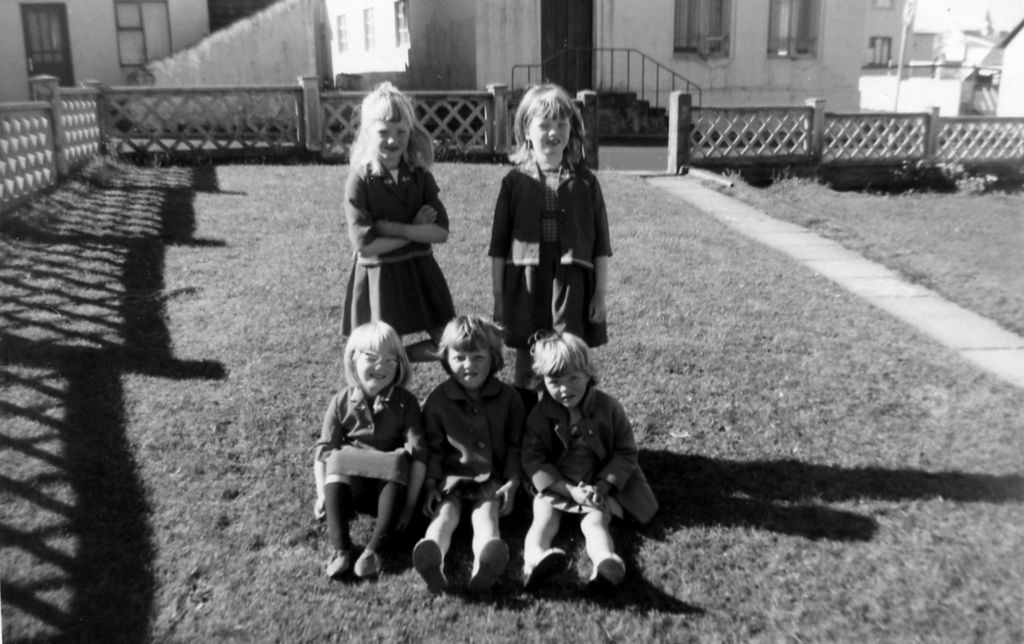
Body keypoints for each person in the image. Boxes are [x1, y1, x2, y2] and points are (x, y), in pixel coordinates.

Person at [489, 83, 611, 410]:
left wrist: (599, 294)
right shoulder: (514, 182)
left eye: (561, 123)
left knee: (569, 353)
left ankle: (572, 419)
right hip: (527, 282)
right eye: (544, 125)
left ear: (572, 129)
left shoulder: (586, 182)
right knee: (528, 357)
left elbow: (601, 245)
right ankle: (527, 421)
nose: (553, 132)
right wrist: (499, 298)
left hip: (571, 282)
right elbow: (498, 247)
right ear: (526, 131)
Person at [520, 331, 658, 590]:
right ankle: (534, 560)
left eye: (573, 378)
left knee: (596, 522)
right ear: (542, 380)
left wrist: (602, 487)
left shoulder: (609, 408)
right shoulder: (540, 415)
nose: (565, 389)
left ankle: (605, 562)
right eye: (554, 381)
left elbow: (625, 452)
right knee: (543, 519)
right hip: (557, 487)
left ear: (588, 373)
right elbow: (533, 459)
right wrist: (568, 490)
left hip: (595, 486)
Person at [343, 82, 455, 362]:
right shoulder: (360, 180)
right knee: (381, 353)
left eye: (400, 132)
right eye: (383, 132)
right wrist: (415, 231)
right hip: (380, 279)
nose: (392, 141)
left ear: (411, 132)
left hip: (420, 272)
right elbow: (366, 246)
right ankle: (392, 374)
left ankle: (405, 362)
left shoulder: (420, 176)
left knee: (449, 343)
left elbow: (440, 232)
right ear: (368, 133)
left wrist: (394, 229)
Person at [413, 315, 525, 592]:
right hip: (451, 479)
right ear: (446, 359)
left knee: (487, 514)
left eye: (478, 357)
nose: (468, 365)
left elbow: (516, 444)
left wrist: (513, 480)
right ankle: (432, 554)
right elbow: (434, 448)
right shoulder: (438, 400)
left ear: (493, 358)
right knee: (445, 514)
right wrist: (431, 483)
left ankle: (485, 562)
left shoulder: (509, 398)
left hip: (490, 479)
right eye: (460, 357)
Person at [313, 321, 427, 579]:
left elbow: (419, 454)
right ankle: (341, 549)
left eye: (390, 360)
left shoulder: (406, 402)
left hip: (390, 490)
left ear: (400, 365)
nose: (381, 366)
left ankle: (375, 550)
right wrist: (321, 494)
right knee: (337, 459)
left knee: (398, 460)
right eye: (372, 358)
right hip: (352, 487)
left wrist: (409, 506)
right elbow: (324, 450)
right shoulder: (342, 400)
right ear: (353, 359)